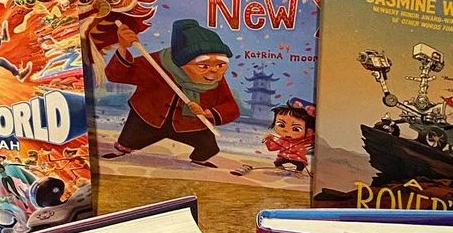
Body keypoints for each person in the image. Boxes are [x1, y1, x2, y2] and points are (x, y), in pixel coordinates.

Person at [103, 18, 240, 167]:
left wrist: (206, 113)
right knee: (127, 141)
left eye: (220, 64)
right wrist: (123, 48)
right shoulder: (156, 63)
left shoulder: (213, 79)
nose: (214, 71)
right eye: (203, 65)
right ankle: (123, 149)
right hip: (148, 118)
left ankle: (199, 160)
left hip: (189, 124)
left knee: (208, 148)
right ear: (181, 62)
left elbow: (230, 107)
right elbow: (117, 75)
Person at [264, 98, 316, 171]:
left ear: (308, 132)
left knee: (300, 166)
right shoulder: (282, 140)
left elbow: (313, 140)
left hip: (298, 159)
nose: (286, 130)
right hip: (284, 157)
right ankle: (281, 170)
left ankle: (298, 172)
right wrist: (268, 140)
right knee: (277, 163)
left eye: (296, 129)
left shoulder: (304, 140)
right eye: (281, 125)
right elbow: (272, 148)